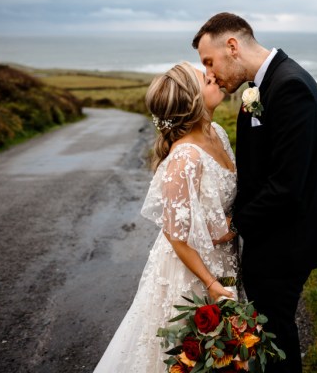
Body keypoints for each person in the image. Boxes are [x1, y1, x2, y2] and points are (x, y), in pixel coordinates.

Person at [192, 13, 317, 373]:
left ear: (232, 47)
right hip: (272, 240)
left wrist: (235, 222)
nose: (209, 72)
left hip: (287, 244)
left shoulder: (290, 87)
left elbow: (287, 185)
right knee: (269, 335)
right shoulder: (261, 87)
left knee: (275, 339)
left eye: (209, 61)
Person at [94, 62, 238, 373]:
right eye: (204, 77)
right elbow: (175, 234)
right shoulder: (184, 157)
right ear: (191, 101)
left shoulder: (218, 134)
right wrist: (210, 282)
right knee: (190, 356)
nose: (212, 75)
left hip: (227, 259)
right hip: (194, 272)